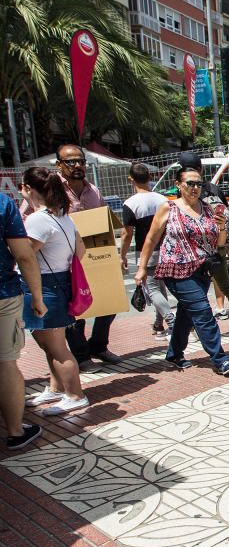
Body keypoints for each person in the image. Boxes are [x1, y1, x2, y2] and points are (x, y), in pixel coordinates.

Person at [135, 167, 229, 376]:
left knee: (186, 314)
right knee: (202, 311)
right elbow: (151, 239)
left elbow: (218, 244)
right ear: (178, 185)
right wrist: (142, 268)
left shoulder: (208, 209)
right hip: (175, 269)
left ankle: (174, 354)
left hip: (202, 269)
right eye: (190, 183)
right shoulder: (168, 208)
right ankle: (220, 358)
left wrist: (222, 228)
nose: (195, 188)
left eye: (199, 184)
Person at [18, 168, 89, 416]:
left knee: (57, 347)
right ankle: (57, 387)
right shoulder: (62, 216)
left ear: (28, 189)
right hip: (58, 283)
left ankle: (75, 395)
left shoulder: (38, 219)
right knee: (49, 344)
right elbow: (81, 250)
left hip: (45, 286)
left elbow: (24, 255)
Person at [56, 145, 120, 374]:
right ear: (59, 165)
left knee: (109, 304)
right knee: (76, 309)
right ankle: (81, 355)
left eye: (80, 161)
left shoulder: (93, 190)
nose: (77, 166)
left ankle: (98, 346)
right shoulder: (51, 189)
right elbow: (29, 216)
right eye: (70, 162)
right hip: (65, 261)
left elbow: (104, 221)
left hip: (96, 256)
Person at [176, 152, 229, 339]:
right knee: (226, 286)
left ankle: (194, 329)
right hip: (217, 245)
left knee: (192, 291)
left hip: (192, 249)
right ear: (201, 168)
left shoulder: (182, 191)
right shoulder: (214, 189)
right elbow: (226, 216)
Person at [0, 188, 45, 448]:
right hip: (3, 294)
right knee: (6, 362)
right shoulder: (3, 204)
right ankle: (16, 430)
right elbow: (24, 255)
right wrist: (37, 297)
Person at [120, 164, 172, 339]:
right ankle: (159, 324)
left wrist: (122, 255)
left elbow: (127, 234)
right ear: (150, 177)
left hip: (146, 251)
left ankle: (171, 320)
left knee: (152, 289)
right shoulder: (162, 199)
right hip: (166, 248)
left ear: (131, 179)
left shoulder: (130, 203)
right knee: (160, 288)